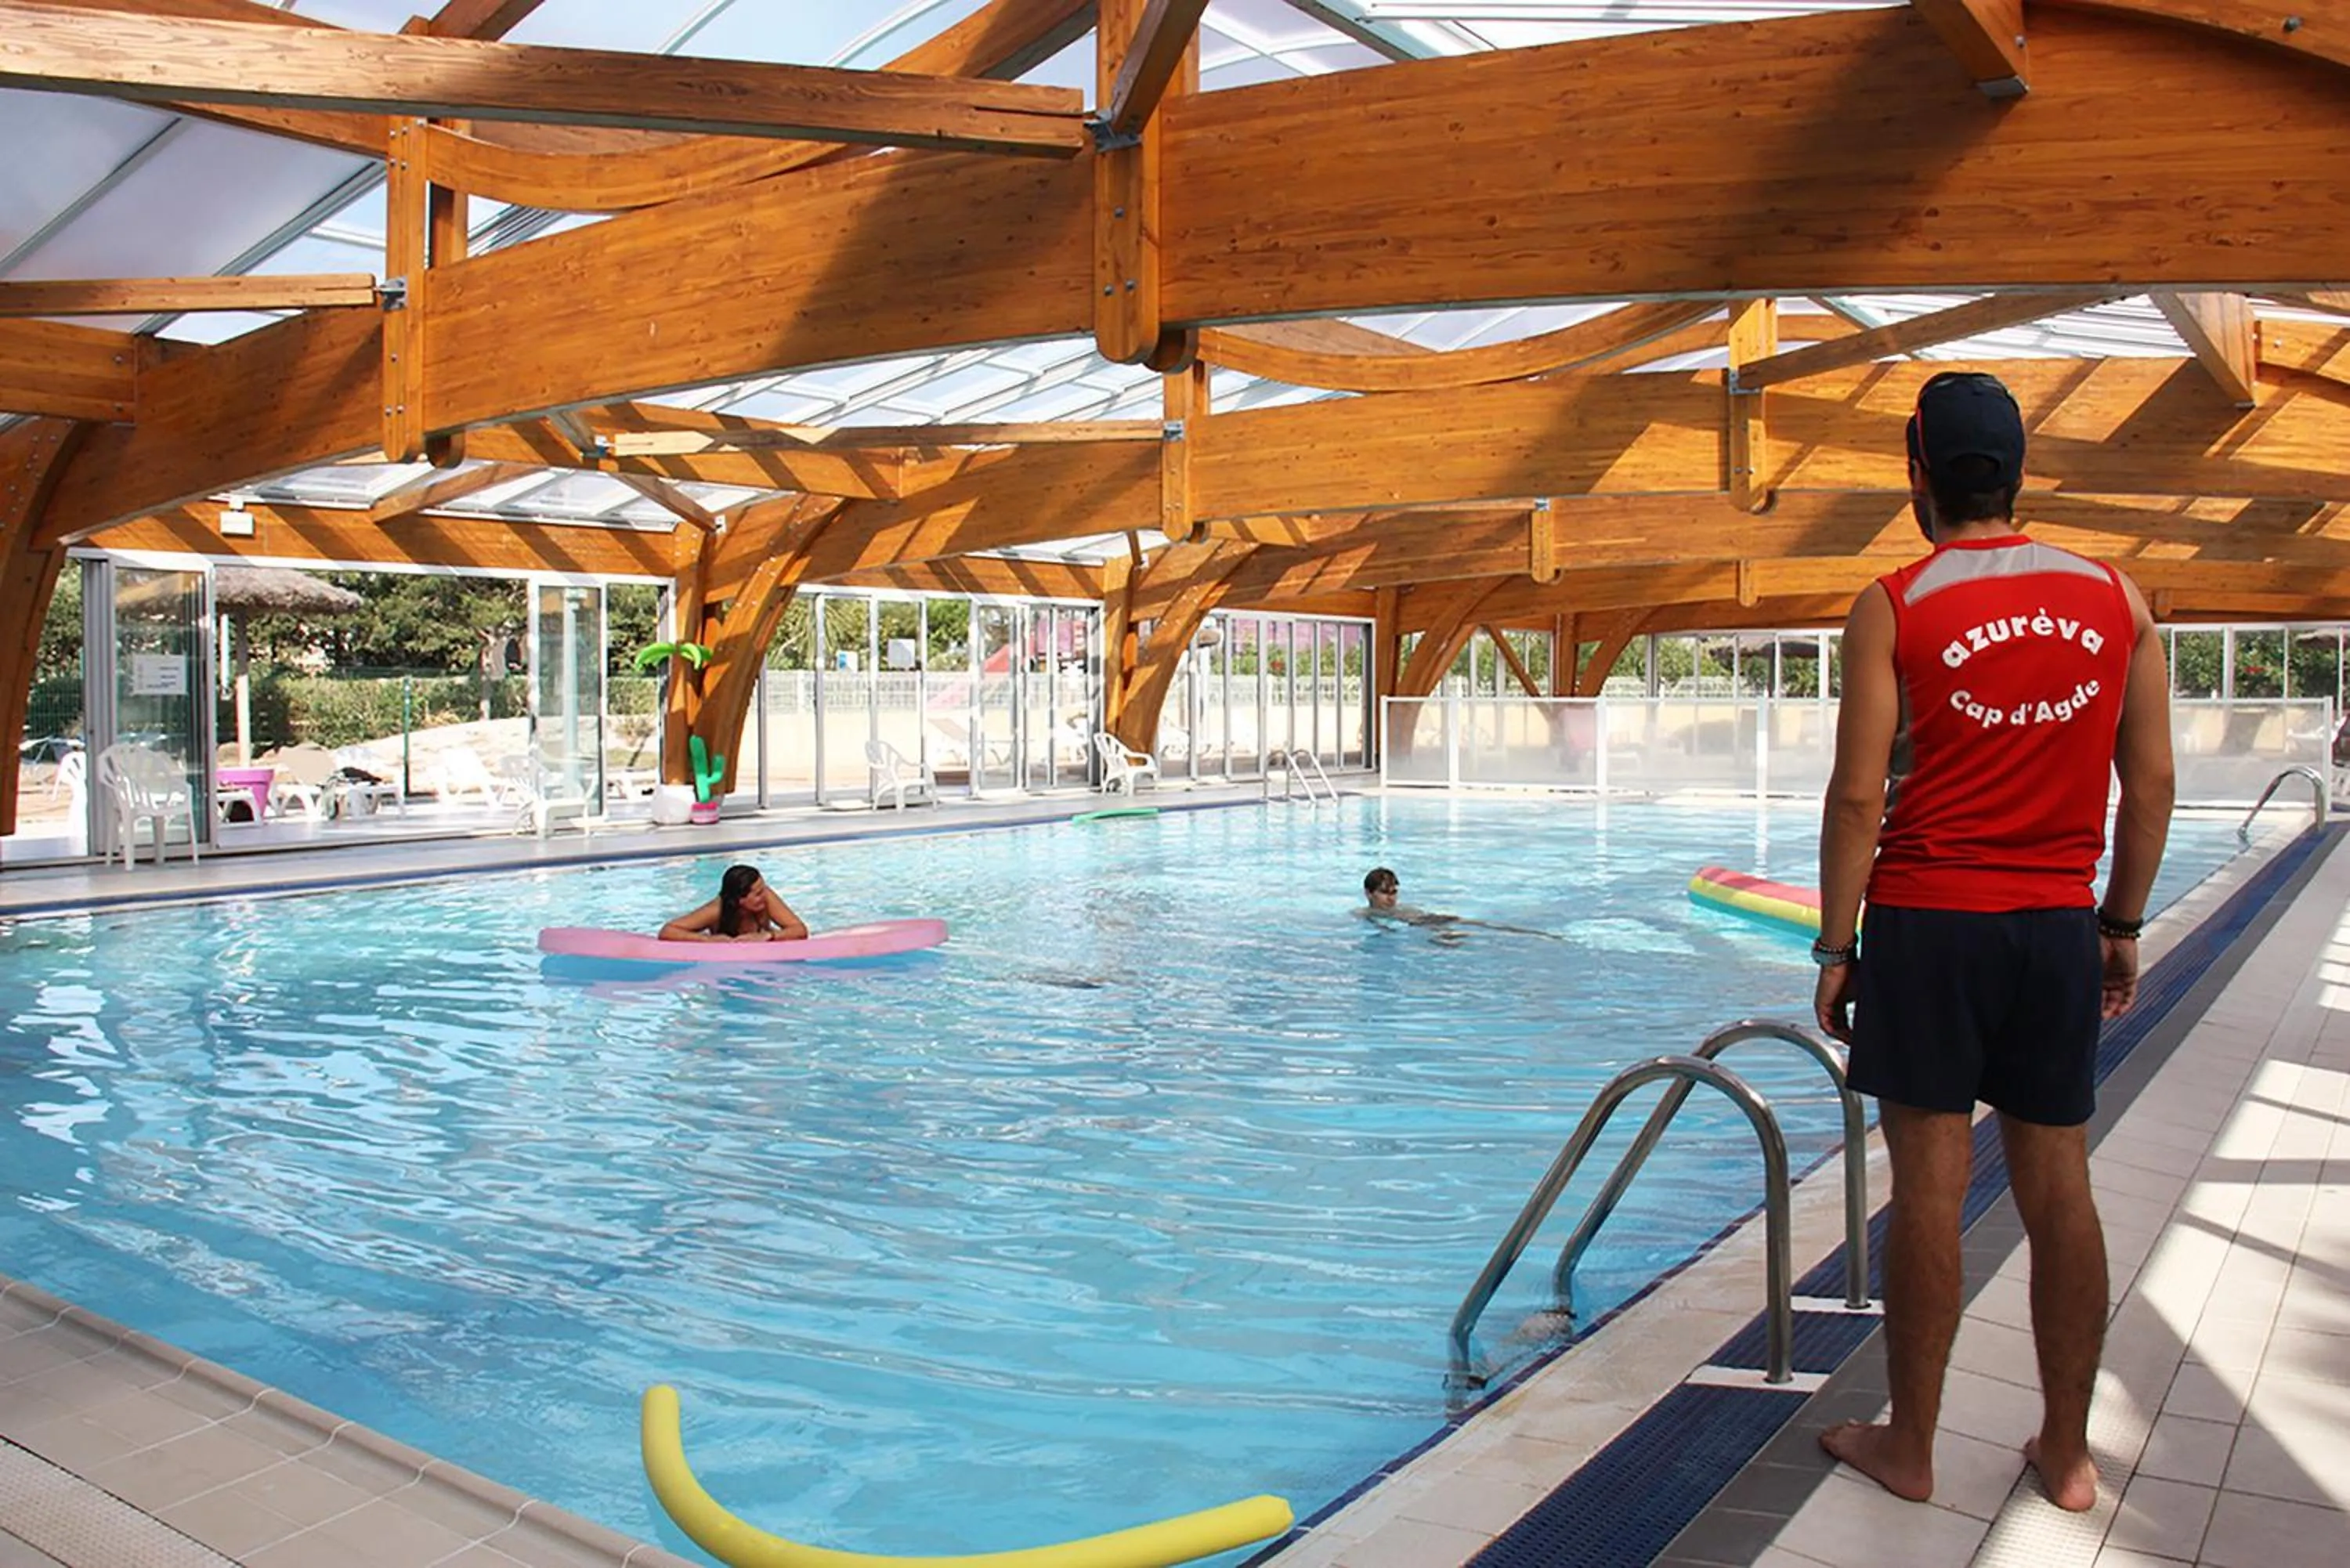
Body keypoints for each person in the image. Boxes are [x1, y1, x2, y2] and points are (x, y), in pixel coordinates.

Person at [1811, 371, 2174, 1514]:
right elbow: (2153, 780)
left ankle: (1909, 1444)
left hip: (1928, 926)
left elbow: (1859, 798)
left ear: (1917, 475)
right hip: (2056, 925)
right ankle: (2067, 1453)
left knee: (1929, 1189)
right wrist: (2118, 923)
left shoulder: (1898, 601)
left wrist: (1835, 946)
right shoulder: (2117, 597)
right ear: (2019, 475)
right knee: (2059, 1185)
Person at [1358, 868, 1560, 940]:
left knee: (1482, 925)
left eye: (1394, 893)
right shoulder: (1365, 915)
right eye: (1385, 893)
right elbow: (1384, 929)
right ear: (1368, 893)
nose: (1391, 899)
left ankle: (1537, 935)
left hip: (1427, 920)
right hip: (1423, 924)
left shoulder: (1400, 910)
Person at [660, 864, 809, 943]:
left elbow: (799, 930)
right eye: (757, 894)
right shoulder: (716, 910)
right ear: (741, 900)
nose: (764, 895)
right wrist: (706, 940)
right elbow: (668, 931)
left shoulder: (766, 897)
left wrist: (769, 936)